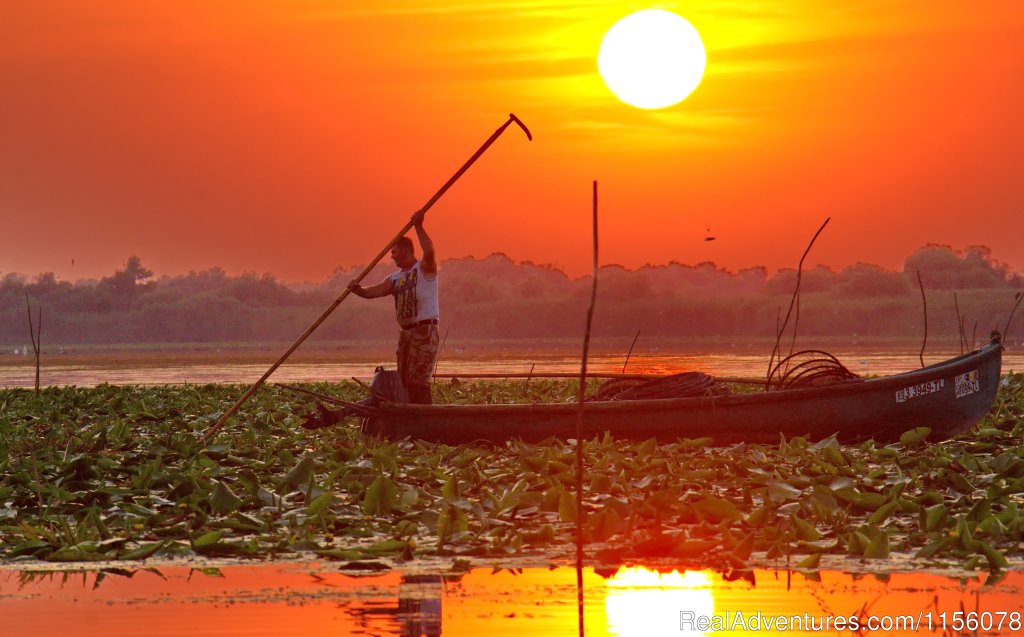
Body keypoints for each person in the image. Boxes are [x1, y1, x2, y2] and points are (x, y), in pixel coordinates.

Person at [348, 209, 439, 404]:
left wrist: (418, 226)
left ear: (406, 251)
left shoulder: (424, 269)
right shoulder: (395, 278)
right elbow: (372, 292)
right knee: (405, 380)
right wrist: (357, 290)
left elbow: (430, 251)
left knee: (419, 380)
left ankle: (426, 418)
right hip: (406, 334)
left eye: (395, 252)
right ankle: (413, 415)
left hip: (424, 330)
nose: (392, 257)